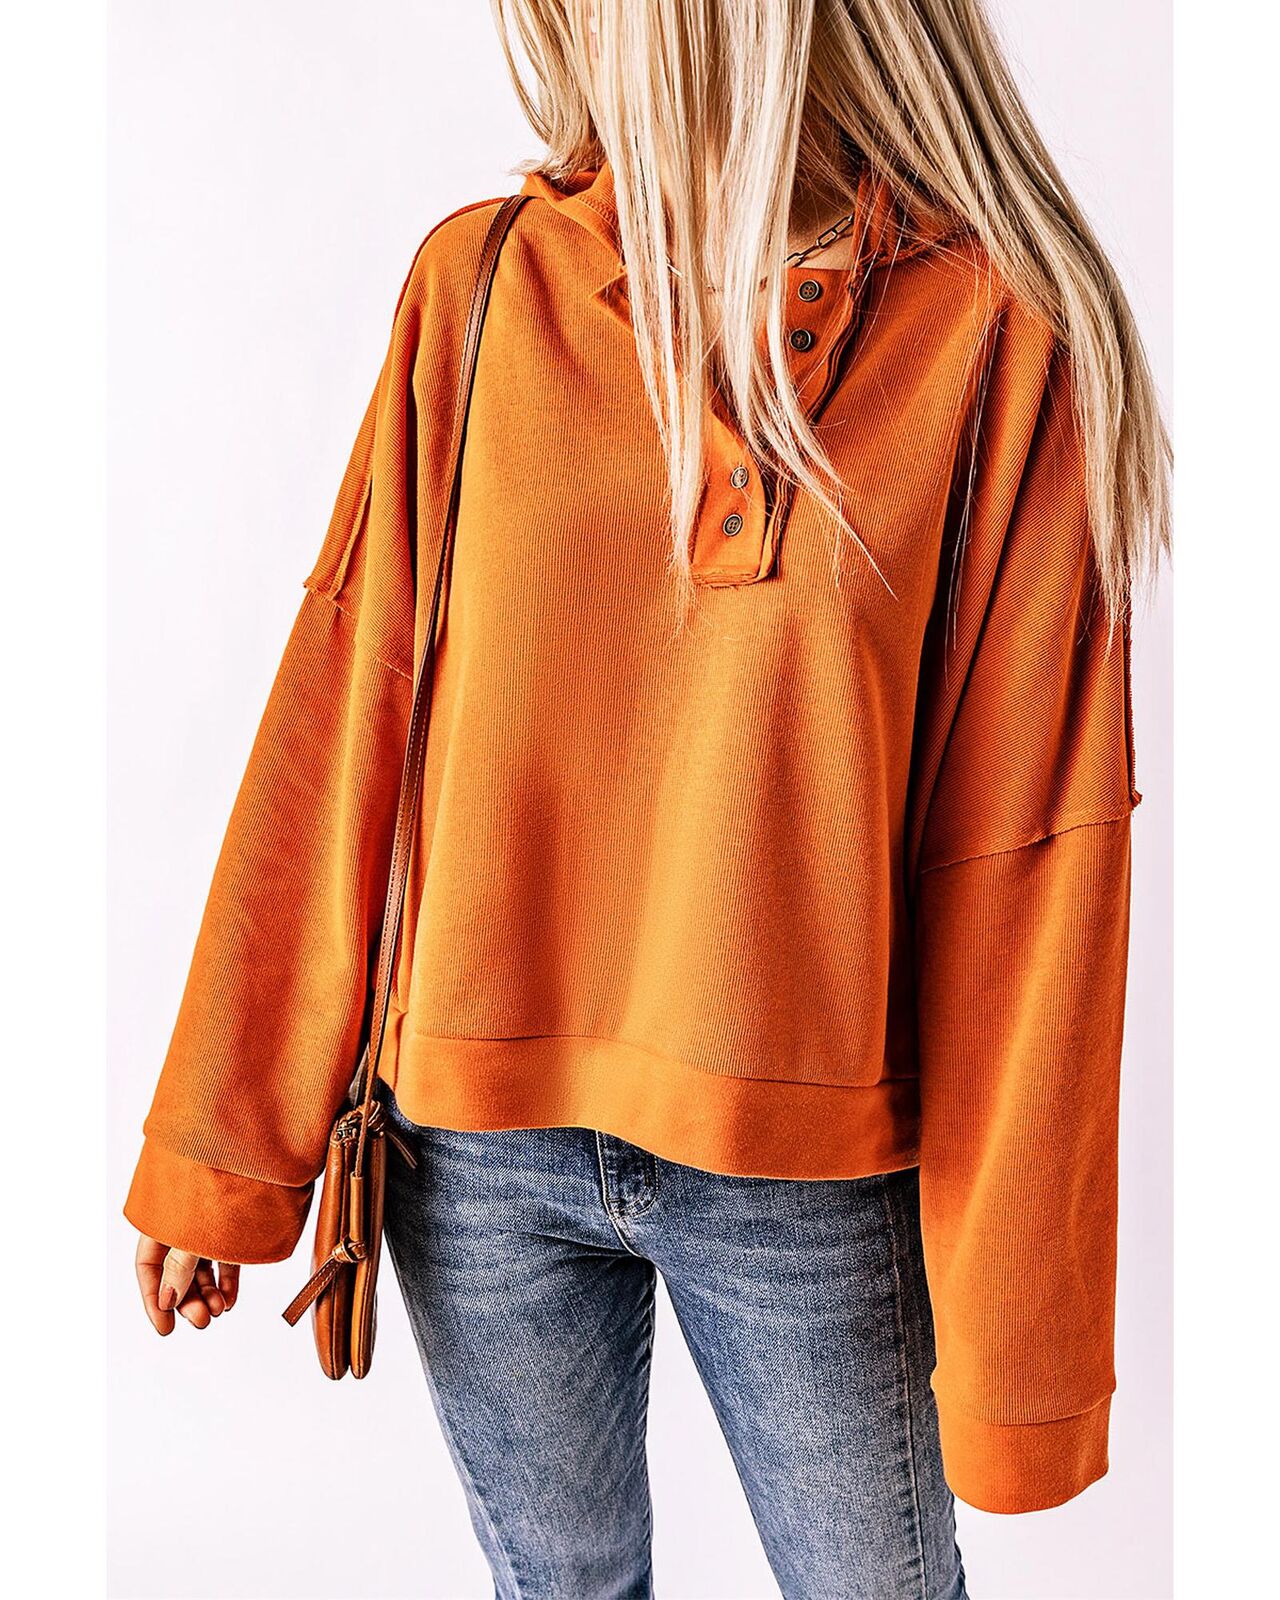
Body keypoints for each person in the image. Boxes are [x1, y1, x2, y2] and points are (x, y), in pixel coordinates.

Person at [124, 2, 1169, 1595]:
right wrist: (225, 1143)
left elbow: (1030, 861)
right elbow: (349, 701)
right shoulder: (484, 285)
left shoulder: (998, 341)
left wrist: (1023, 1360)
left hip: (808, 1177)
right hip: (473, 1145)